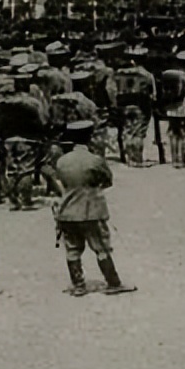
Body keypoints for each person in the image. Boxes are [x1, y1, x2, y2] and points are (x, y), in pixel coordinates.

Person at [47, 120, 136, 296]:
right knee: (101, 247)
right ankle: (113, 282)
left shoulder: (61, 161)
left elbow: (60, 182)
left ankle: (79, 285)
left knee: (72, 249)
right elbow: (107, 181)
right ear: (88, 138)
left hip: (67, 212)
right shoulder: (95, 160)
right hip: (91, 210)